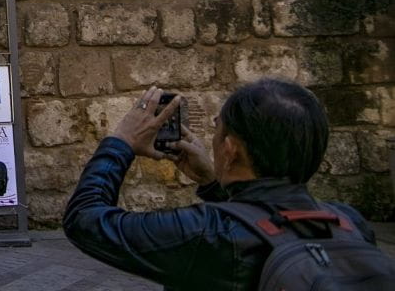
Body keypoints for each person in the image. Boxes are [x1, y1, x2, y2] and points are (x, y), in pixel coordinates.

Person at [63, 80, 379, 291]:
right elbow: (266, 222)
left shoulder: (206, 233)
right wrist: (213, 182)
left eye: (218, 129)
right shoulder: (350, 222)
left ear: (229, 150)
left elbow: (85, 221)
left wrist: (120, 143)